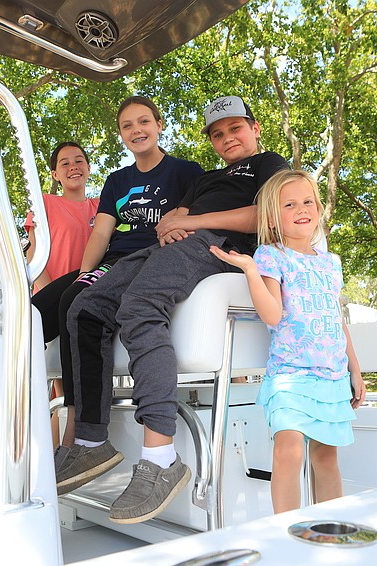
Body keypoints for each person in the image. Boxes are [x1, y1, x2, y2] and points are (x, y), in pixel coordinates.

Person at [58, 95, 289, 524]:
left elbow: (269, 216)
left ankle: (161, 457)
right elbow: (176, 215)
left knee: (139, 307)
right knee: (85, 308)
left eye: (235, 128)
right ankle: (90, 443)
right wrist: (171, 224)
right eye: (218, 133)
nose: (227, 138)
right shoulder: (207, 178)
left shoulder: (269, 166)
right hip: (174, 244)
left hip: (217, 247)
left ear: (254, 129)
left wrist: (191, 223)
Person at [31, 96, 204, 451]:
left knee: (73, 304)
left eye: (143, 122)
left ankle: (79, 426)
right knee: (30, 317)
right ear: (121, 137)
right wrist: (83, 273)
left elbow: (194, 225)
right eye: (127, 126)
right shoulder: (117, 180)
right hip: (113, 258)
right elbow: (100, 233)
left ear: (159, 125)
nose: (136, 130)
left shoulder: (187, 172)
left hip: (150, 260)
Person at [209, 169, 366, 512]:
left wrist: (355, 369)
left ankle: (333, 527)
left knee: (326, 457)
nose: (301, 209)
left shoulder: (331, 263)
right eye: (289, 204)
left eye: (307, 201)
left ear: (319, 207)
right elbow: (272, 315)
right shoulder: (270, 255)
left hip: (332, 375)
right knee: (288, 450)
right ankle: (285, 531)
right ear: (272, 216)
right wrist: (250, 271)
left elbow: (336, 320)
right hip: (291, 375)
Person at [25, 142, 99, 294]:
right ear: (55, 174)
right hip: (49, 299)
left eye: (79, 161)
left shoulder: (102, 206)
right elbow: (32, 252)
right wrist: (51, 294)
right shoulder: (43, 202)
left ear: (89, 168)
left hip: (89, 298)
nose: (73, 167)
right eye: (65, 163)